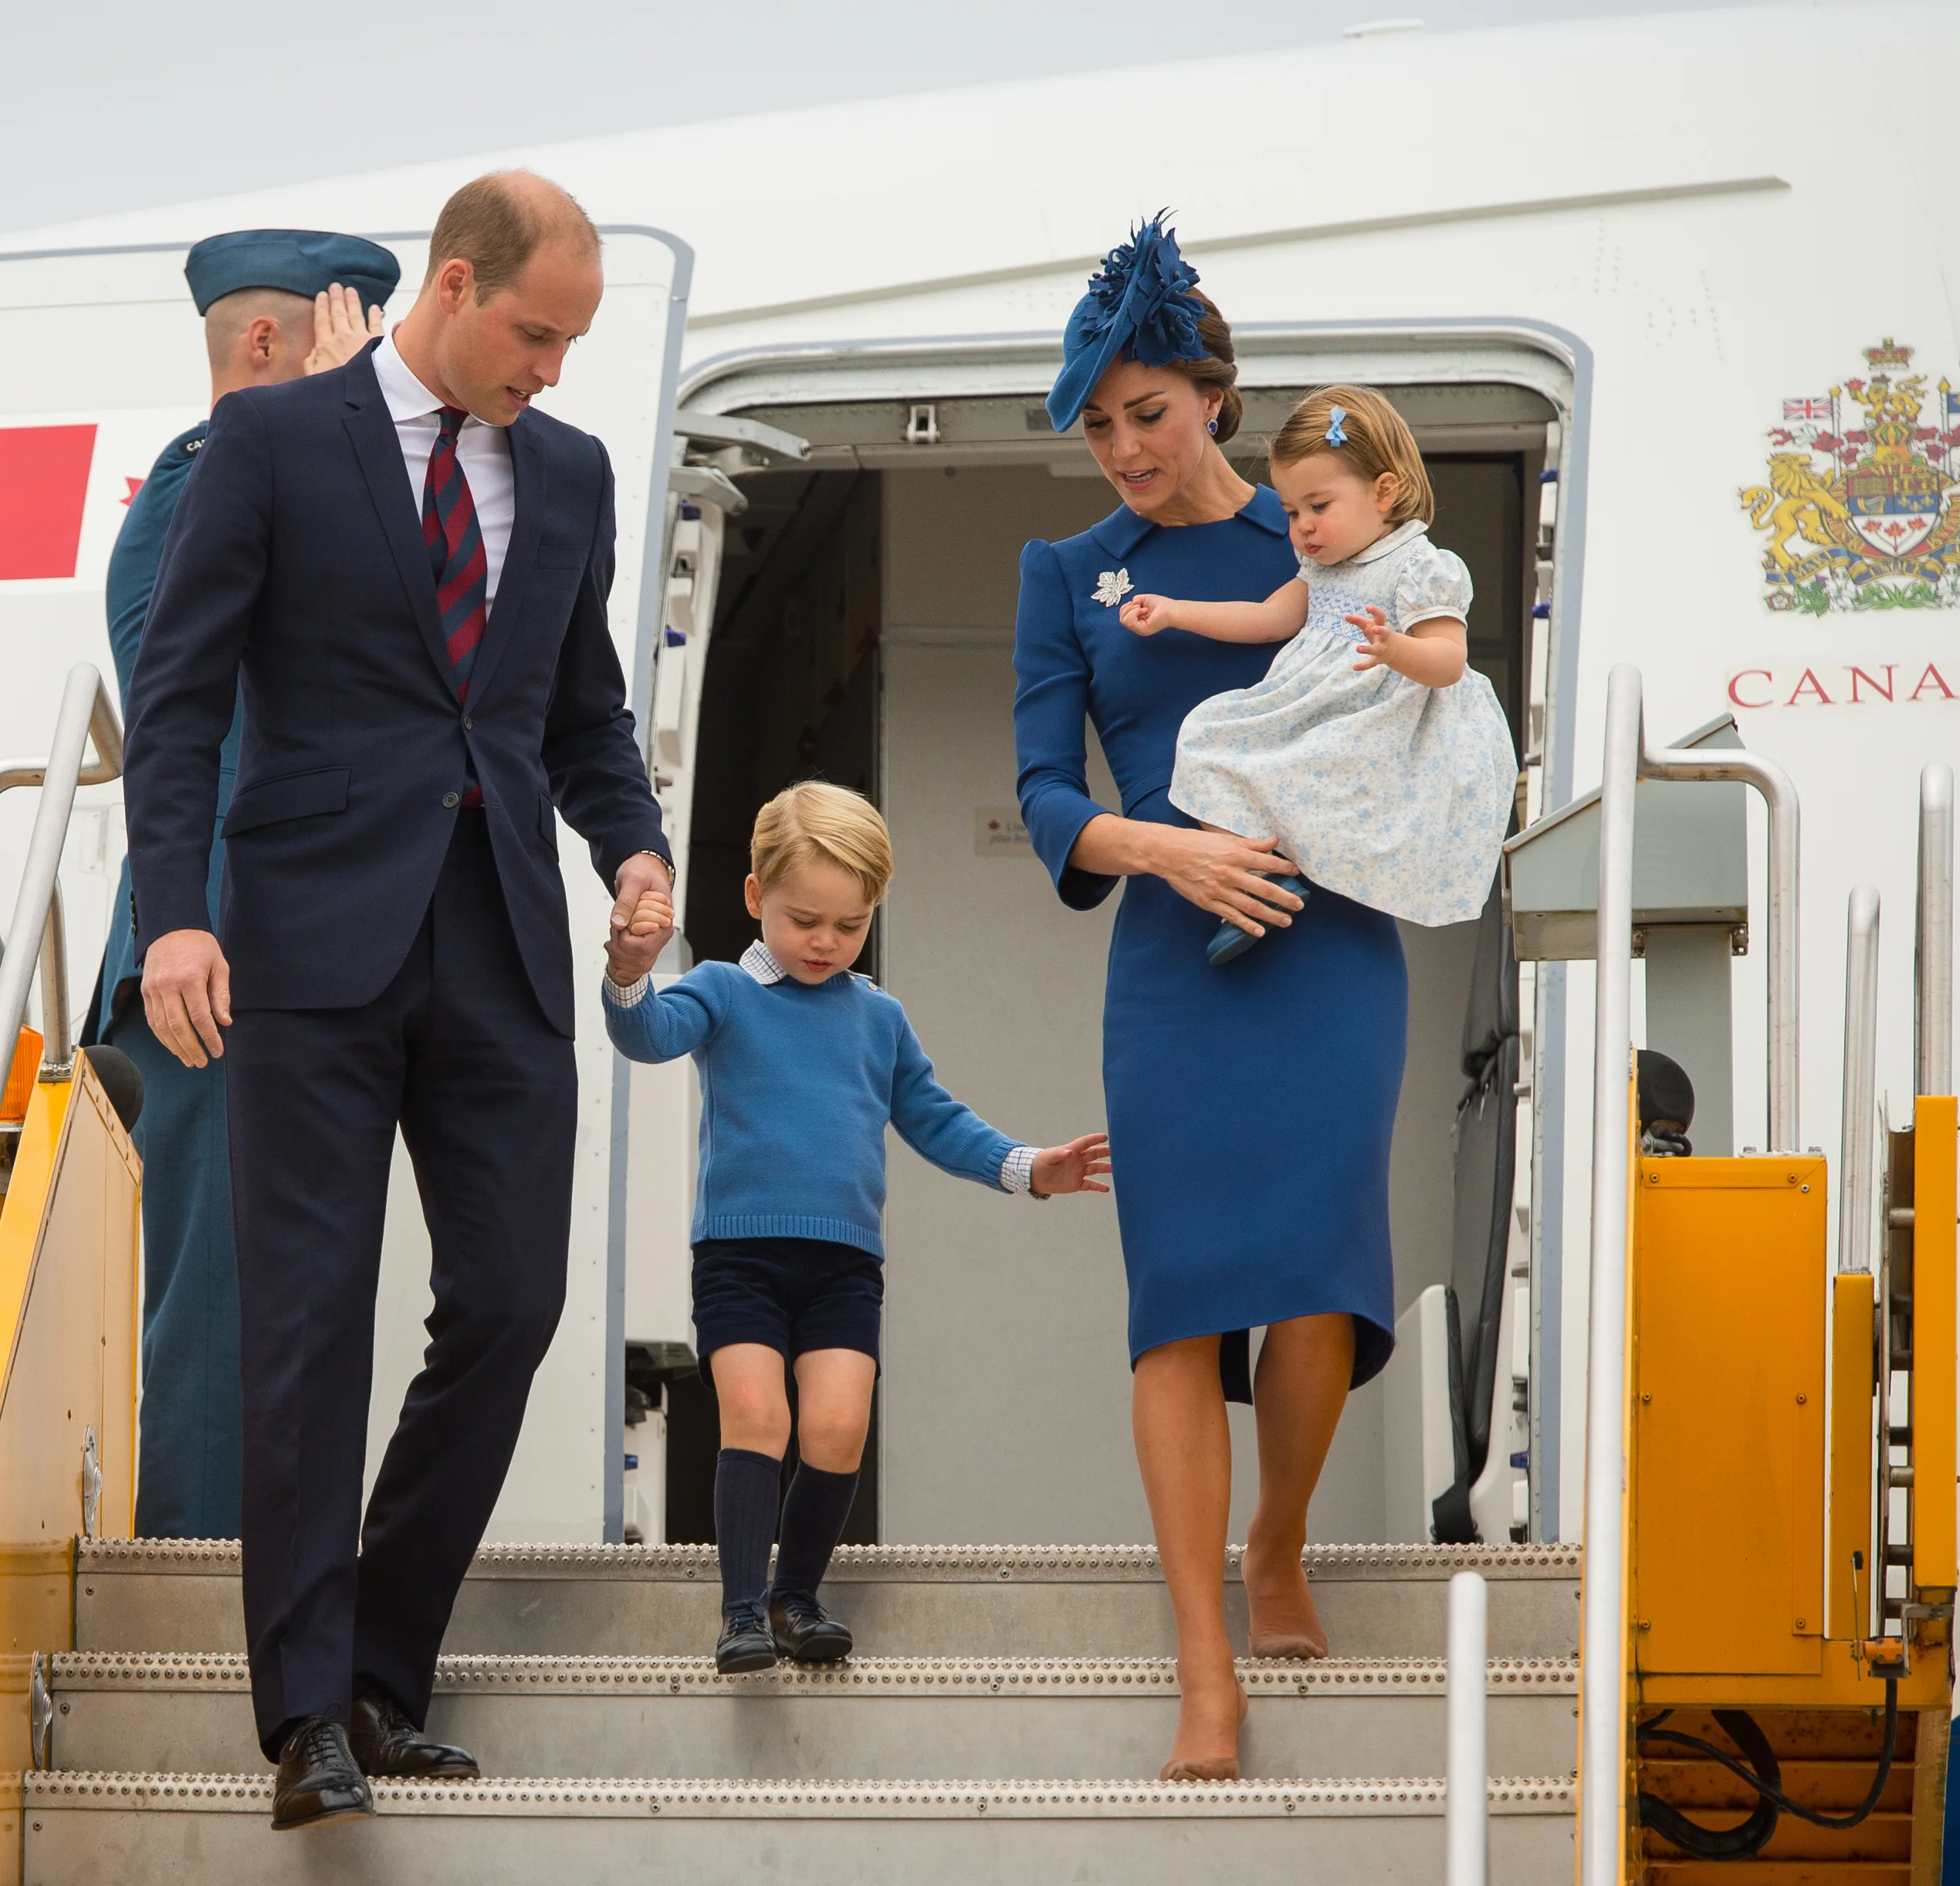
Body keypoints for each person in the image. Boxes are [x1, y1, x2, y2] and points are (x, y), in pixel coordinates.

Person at [122, 172, 675, 1831]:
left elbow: (580, 713)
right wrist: (175, 920)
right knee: (304, 1327)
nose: (553, 372)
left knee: (509, 1301)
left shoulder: (563, 477)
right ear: (450, 286)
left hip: (499, 940)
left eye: (575, 341)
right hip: (303, 945)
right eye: (533, 333)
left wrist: (633, 854)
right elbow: (180, 693)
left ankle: (377, 1656)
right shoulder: (274, 446)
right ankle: (304, 1716)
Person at [1011, 215, 1403, 1781]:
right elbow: (1044, 795)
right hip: (1169, 965)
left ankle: (1278, 1538)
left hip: (1326, 947)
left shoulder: (1318, 541)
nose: (1118, 448)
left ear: (1214, 400)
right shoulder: (1066, 574)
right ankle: (1200, 1668)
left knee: (1316, 1277)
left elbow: (1415, 725)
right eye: (1096, 423)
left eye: (1145, 413)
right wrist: (1161, 846)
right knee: (1176, 1301)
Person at [599, 784, 1112, 1674]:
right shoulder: (721, 989)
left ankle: (798, 1595)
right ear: (756, 897)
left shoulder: (878, 1017)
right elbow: (647, 1033)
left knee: (836, 1429)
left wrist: (1032, 1168)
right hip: (740, 1256)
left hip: (844, 1266)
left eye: (850, 924)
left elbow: (935, 1119)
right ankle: (742, 1610)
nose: (826, 943)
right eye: (805, 920)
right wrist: (627, 971)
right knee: (755, 1416)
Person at [84, 229, 398, 1542]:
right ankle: (208, 1600)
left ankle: (267, 1583)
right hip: (215, 957)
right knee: (219, 1299)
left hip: (288, 958)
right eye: (356, 347)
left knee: (281, 1296)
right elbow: (189, 711)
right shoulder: (207, 481)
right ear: (268, 344)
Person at [1115, 381, 1516, 960]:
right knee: (1206, 733)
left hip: (1378, 718)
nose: (1302, 526)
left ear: (1384, 491)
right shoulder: (1321, 569)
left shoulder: (1421, 567)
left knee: (1323, 779)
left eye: (1318, 507)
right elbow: (1266, 617)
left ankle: (1296, 873)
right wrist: (1177, 612)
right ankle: (1265, 873)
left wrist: (1394, 648)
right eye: (1291, 511)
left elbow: (1449, 662)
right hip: (1317, 708)